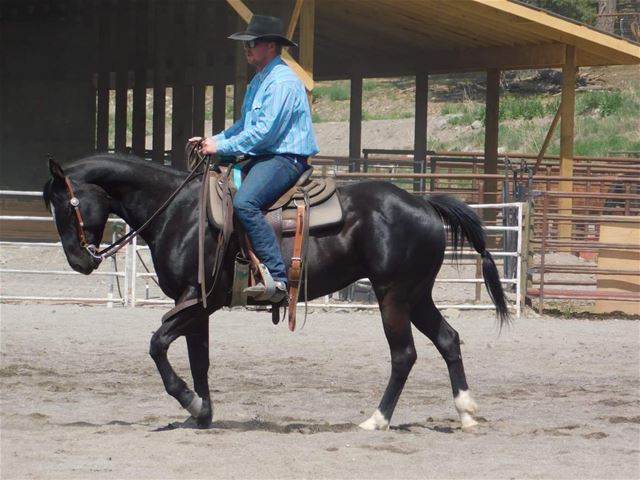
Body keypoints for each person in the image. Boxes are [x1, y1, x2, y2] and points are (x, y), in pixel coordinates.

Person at [189, 15, 319, 303]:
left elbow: (263, 132)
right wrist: (214, 141)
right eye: (246, 43)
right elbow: (244, 125)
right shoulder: (261, 80)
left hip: (285, 158)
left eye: (253, 43)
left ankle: (278, 277)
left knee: (245, 203)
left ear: (271, 46)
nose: (247, 48)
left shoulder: (283, 82)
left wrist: (219, 147)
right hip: (265, 156)